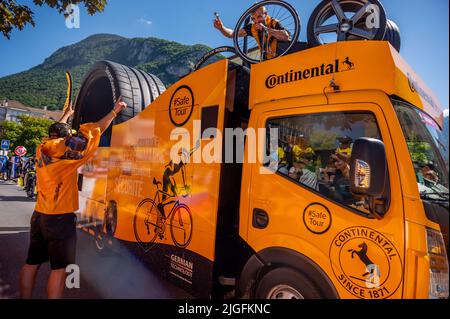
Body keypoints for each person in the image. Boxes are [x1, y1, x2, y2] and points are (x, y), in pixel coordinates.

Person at [19, 97, 127, 299]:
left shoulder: (42, 148)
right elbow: (95, 131)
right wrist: (114, 111)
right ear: (67, 137)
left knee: (31, 263)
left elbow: (56, 133)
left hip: (40, 215)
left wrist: (66, 115)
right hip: (60, 219)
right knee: (58, 269)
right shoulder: (69, 151)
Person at [213, 6, 290, 60]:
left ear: (265, 14)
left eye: (259, 16)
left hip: (284, 57)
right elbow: (233, 34)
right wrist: (221, 28)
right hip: (267, 61)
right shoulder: (253, 27)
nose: (256, 21)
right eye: (253, 19)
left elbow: (285, 36)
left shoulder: (274, 23)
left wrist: (266, 29)